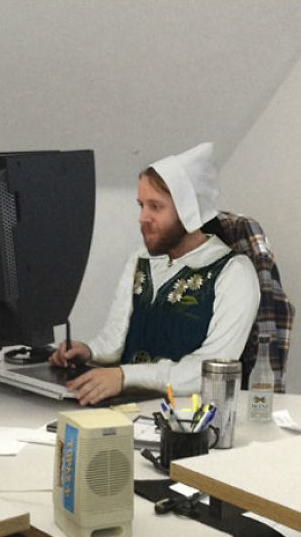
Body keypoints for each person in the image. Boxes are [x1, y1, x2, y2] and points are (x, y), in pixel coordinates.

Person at [50, 142, 260, 404]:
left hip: (188, 415)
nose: (142, 218)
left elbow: (210, 371)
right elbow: (114, 340)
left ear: (189, 211)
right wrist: (89, 351)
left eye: (155, 207)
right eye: (141, 205)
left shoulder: (234, 274)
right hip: (127, 407)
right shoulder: (139, 261)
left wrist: (125, 376)